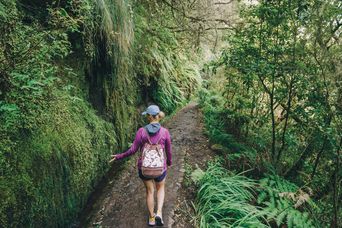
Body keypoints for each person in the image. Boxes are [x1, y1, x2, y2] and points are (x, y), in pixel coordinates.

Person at [109, 104, 172, 226]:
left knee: (149, 191)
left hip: (144, 169)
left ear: (149, 117)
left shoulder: (141, 132)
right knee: (160, 188)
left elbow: (132, 150)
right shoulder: (165, 132)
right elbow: (168, 151)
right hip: (160, 168)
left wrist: (118, 156)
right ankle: (159, 212)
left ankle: (152, 218)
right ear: (158, 116)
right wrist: (168, 163)